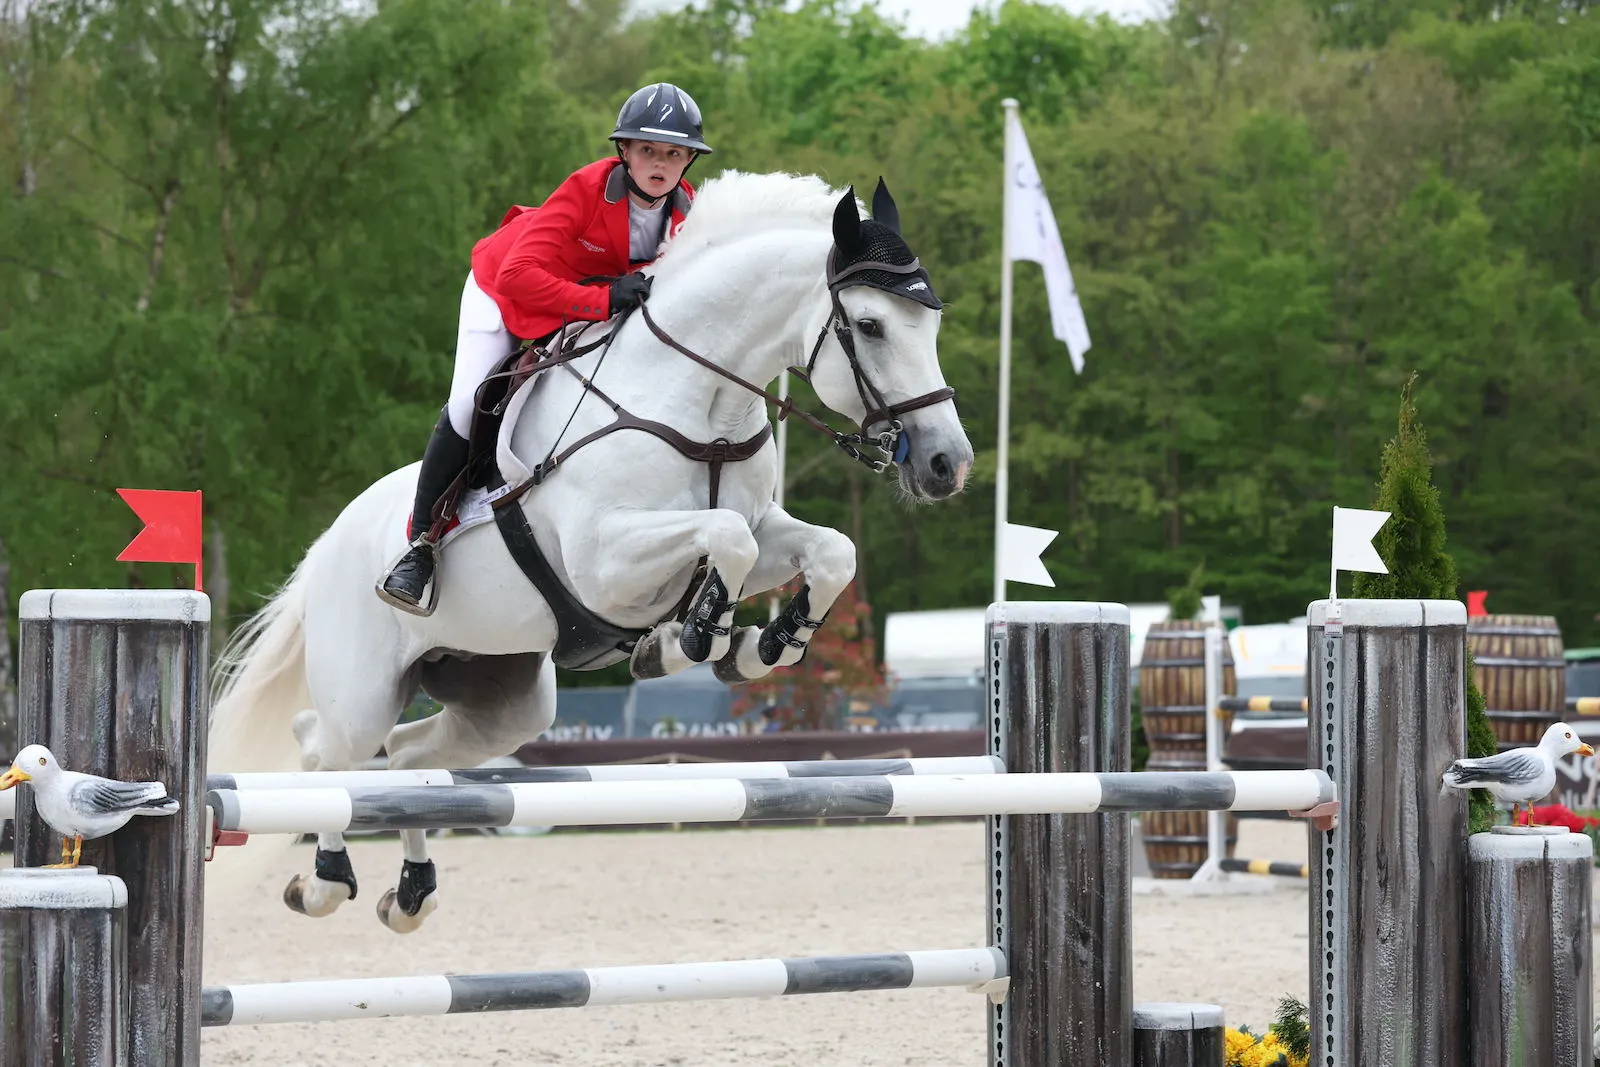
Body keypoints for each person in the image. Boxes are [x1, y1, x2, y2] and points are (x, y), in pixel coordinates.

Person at [376, 82, 714, 615]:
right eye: (647, 150)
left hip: (579, 305)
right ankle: (420, 545)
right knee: (471, 401)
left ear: (688, 160)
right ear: (623, 151)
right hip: (502, 289)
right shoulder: (585, 189)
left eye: (673, 153)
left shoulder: (689, 213)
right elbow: (518, 276)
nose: (659, 164)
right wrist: (603, 298)